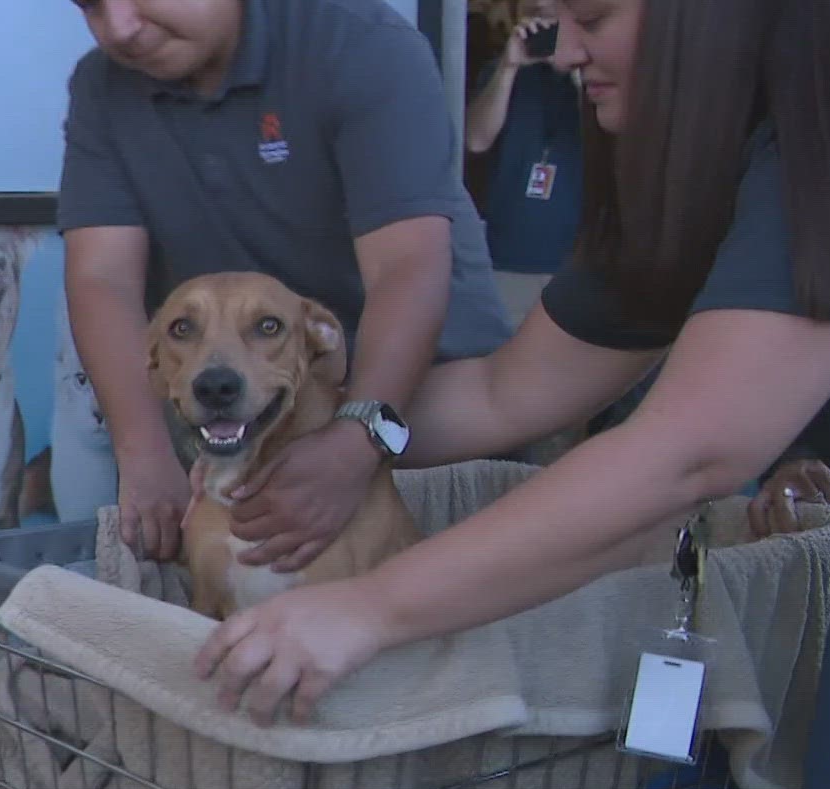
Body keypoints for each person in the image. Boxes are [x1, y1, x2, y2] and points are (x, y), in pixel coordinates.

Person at [192, 1, 830, 789]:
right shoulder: (697, 176)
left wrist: (365, 609)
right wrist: (338, 433)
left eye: (591, 13)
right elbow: (504, 390)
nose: (562, 49)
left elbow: (687, 455)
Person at [58, 0, 514, 579]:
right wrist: (143, 452)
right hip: (243, 434)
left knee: (440, 640)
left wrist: (356, 440)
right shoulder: (103, 85)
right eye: (91, 6)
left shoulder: (360, 45)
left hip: (421, 417)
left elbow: (406, 269)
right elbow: (103, 279)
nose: (118, 27)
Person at [464, 0, 588, 330]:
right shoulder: (505, 70)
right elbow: (476, 140)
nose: (541, 5)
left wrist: (578, 72)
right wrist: (508, 68)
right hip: (507, 258)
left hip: (575, 263)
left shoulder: (596, 76)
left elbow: (608, 143)